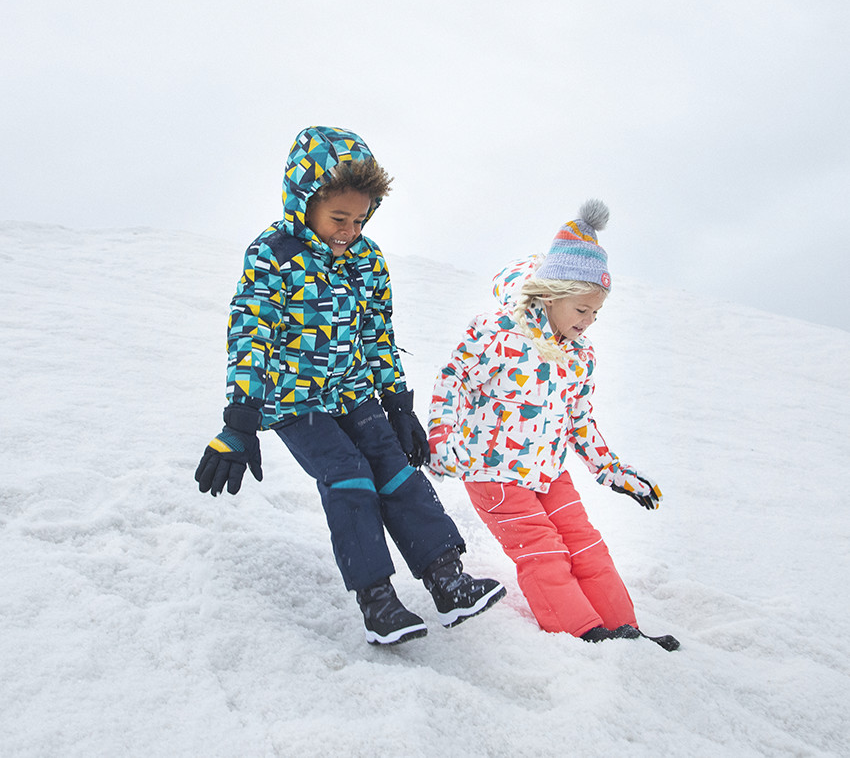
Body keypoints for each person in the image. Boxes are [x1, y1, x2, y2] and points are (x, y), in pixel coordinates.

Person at [194, 125, 505, 646]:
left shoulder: (368, 259)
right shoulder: (275, 254)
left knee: (396, 472)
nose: (349, 230)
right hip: (294, 402)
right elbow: (251, 333)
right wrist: (240, 420)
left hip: (355, 393)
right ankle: (378, 602)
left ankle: (448, 581)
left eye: (360, 219)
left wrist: (398, 406)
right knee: (349, 477)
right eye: (339, 218)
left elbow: (379, 335)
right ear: (305, 202)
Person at [427, 200, 679, 651]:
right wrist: (442, 438)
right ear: (551, 294)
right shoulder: (498, 333)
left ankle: (626, 631)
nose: (589, 323)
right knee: (543, 552)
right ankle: (584, 632)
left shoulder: (580, 356)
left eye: (596, 314)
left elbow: (579, 422)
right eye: (582, 310)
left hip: (548, 471)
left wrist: (614, 472)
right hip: (493, 472)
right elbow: (454, 380)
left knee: (586, 545)